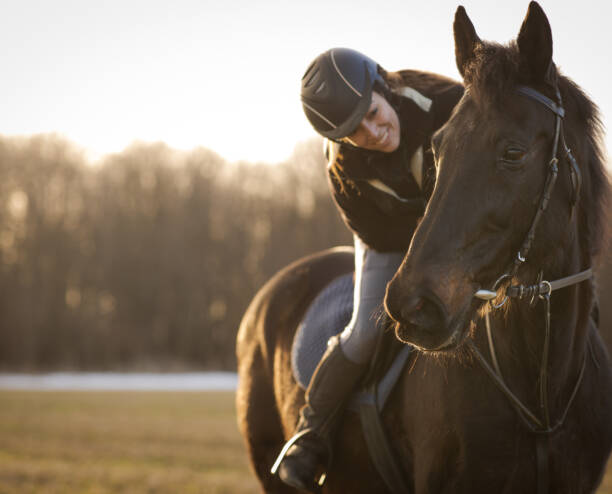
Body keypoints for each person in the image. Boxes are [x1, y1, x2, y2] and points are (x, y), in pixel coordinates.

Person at [273, 47, 464, 492]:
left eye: (374, 114)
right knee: (364, 330)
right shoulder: (343, 166)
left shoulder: (444, 100)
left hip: (458, 229)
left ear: (385, 87)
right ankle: (310, 435)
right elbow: (378, 231)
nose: (374, 132)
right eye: (356, 131)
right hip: (390, 238)